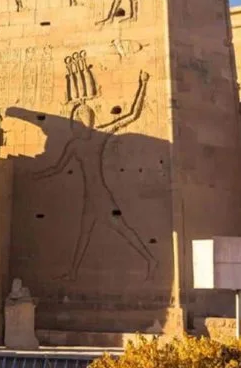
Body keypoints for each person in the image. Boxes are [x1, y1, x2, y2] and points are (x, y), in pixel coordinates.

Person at [29, 71, 157, 281]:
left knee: (120, 230)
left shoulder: (89, 141)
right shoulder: (78, 144)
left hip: (101, 196)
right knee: (85, 233)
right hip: (92, 196)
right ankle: (74, 272)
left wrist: (142, 85)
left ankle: (150, 260)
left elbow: (131, 116)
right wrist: (37, 175)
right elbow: (58, 169)